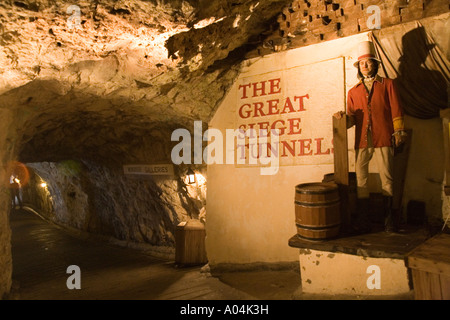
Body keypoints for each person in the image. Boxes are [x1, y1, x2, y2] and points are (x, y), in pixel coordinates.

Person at [334, 41, 407, 233]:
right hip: (362, 141)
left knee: (388, 178)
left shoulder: (388, 84)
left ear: (375, 64)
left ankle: (389, 220)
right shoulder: (353, 92)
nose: (365, 66)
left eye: (368, 62)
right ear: (358, 67)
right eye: (361, 64)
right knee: (361, 179)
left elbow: (396, 109)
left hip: (383, 136)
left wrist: (398, 132)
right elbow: (351, 119)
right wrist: (341, 118)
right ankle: (364, 220)